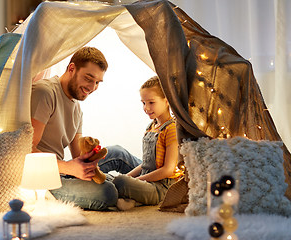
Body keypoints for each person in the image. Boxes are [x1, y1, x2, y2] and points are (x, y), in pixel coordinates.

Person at [30, 47, 140, 210]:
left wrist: (90, 157)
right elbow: (27, 150)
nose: (93, 87)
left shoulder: (76, 108)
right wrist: (69, 168)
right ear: (72, 69)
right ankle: (126, 186)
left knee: (118, 152)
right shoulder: (44, 92)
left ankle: (161, 180)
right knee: (107, 192)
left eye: (97, 82)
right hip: (43, 177)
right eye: (89, 78)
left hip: (63, 170)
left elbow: (78, 155)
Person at [108, 76, 184, 211]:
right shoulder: (151, 126)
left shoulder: (172, 129)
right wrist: (127, 177)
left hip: (162, 187)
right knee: (114, 178)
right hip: (149, 179)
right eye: (143, 103)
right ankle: (134, 199)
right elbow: (145, 164)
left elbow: (168, 170)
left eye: (151, 102)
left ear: (167, 101)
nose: (146, 108)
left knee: (120, 182)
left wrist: (137, 180)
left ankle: (132, 198)